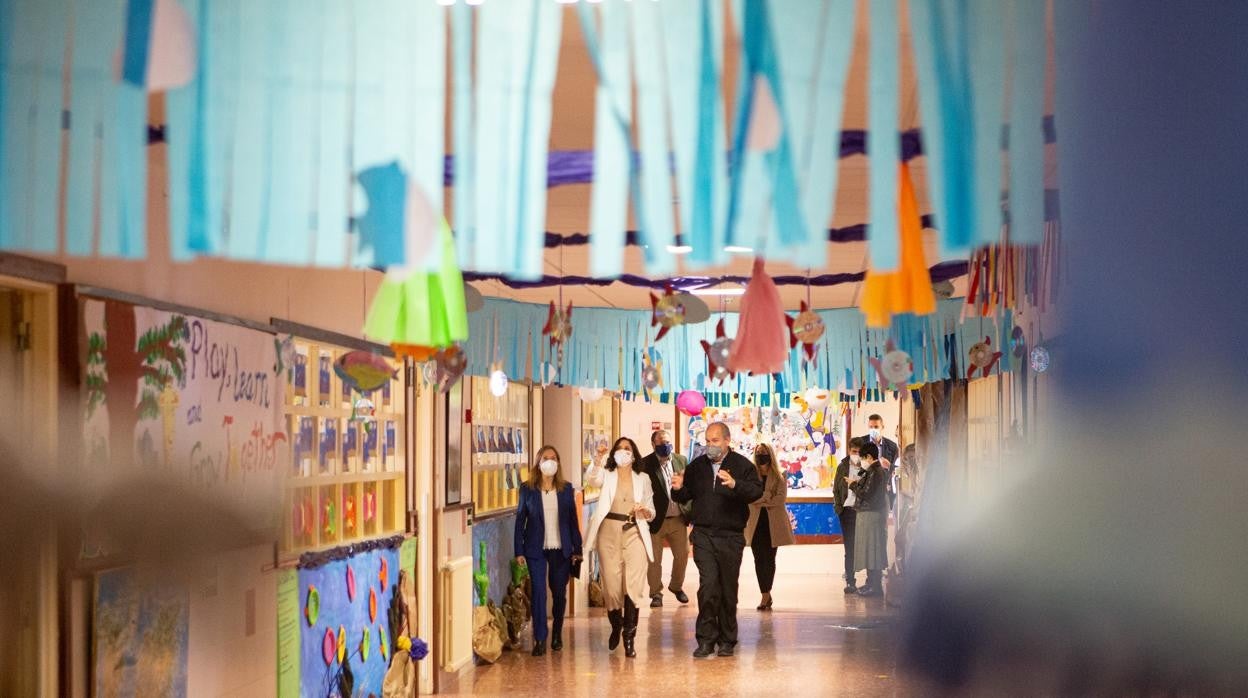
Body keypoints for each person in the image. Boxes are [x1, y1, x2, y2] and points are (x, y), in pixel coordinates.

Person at [671, 422, 764, 658]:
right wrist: (677, 488)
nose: (710, 446)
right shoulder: (697, 466)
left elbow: (756, 492)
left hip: (731, 536)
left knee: (727, 588)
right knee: (708, 586)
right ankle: (705, 639)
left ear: (726, 440)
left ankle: (727, 640)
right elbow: (685, 495)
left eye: (715, 441)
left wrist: (735, 485)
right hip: (703, 535)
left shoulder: (742, 465)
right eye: (708, 441)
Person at [584, 437, 655, 658]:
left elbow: (651, 509)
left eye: (627, 449)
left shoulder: (643, 478)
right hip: (608, 533)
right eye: (619, 449)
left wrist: (645, 511)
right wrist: (598, 457)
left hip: (635, 532)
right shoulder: (607, 474)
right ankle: (616, 625)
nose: (623, 452)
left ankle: (629, 639)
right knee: (612, 587)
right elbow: (591, 479)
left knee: (633, 586)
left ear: (634, 454)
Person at [513, 446, 583, 656]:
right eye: (546, 458)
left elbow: (572, 522)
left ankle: (557, 634)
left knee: (559, 593)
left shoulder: (566, 489)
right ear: (538, 462)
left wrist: (577, 549)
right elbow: (520, 522)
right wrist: (519, 551)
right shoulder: (527, 489)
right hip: (535, 548)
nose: (550, 462)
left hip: (561, 549)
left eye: (554, 458)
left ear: (558, 463)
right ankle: (540, 639)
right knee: (539, 593)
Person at [641, 429, 691, 608]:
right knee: (654, 559)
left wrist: (689, 509)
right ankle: (656, 593)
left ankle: (676, 586)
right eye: (661, 443)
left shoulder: (681, 460)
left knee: (683, 554)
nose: (666, 446)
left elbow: (689, 487)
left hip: (677, 517)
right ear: (653, 445)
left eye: (668, 443)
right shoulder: (645, 464)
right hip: (656, 520)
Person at [744, 442, 794, 611]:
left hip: (773, 524)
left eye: (764, 452)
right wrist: (767, 496)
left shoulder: (779, 476)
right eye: (758, 452)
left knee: (770, 559)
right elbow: (749, 497)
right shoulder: (750, 475)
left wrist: (762, 498)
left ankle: (767, 593)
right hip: (755, 523)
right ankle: (765, 594)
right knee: (759, 559)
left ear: (770, 454)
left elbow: (780, 499)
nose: (761, 455)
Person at [849, 442, 889, 597]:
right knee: (869, 550)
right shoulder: (872, 471)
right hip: (868, 514)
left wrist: (853, 485)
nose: (861, 461)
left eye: (863, 458)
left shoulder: (876, 471)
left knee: (873, 551)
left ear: (869, 457)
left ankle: (875, 585)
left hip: (872, 514)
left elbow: (866, 493)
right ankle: (870, 583)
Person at [833, 437, 866, 593]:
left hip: (862, 511)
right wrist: (839, 508)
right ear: (849, 450)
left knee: (865, 547)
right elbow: (836, 489)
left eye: (859, 452)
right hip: (846, 512)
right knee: (849, 548)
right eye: (854, 452)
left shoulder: (867, 467)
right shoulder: (842, 467)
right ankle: (850, 581)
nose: (856, 455)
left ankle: (870, 581)